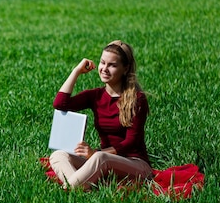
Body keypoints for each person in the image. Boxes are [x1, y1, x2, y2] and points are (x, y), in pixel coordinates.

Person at [49, 40, 152, 190]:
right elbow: (60, 104)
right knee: (58, 155)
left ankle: (71, 189)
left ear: (125, 69)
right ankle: (81, 187)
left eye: (112, 65)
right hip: (102, 160)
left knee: (100, 158)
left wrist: (96, 153)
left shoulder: (137, 98)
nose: (104, 69)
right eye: (103, 63)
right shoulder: (95, 96)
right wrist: (76, 71)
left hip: (135, 164)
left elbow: (131, 141)